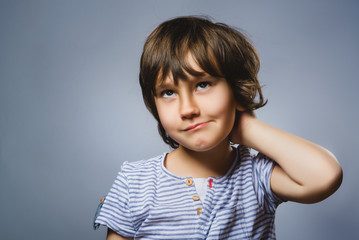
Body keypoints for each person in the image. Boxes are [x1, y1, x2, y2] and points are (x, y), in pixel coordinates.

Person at [93, 16, 342, 239]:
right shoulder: (135, 182)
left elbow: (325, 176)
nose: (187, 109)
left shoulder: (257, 177)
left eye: (202, 85)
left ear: (236, 88)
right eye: (168, 92)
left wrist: (247, 127)